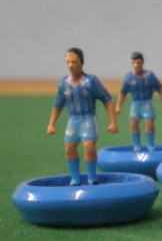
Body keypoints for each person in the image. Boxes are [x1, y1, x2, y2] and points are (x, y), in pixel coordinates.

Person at [46, 47, 118, 186]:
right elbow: (58, 105)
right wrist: (51, 124)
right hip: (73, 120)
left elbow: (108, 100)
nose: (71, 65)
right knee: (69, 148)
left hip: (88, 119)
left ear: (81, 62)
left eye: (74, 62)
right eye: (68, 62)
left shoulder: (91, 81)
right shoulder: (63, 84)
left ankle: (92, 178)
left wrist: (113, 122)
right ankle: (75, 178)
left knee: (89, 146)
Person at [115, 51, 162, 152]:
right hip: (135, 104)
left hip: (147, 103)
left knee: (149, 123)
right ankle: (137, 146)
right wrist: (118, 106)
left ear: (142, 63)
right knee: (133, 124)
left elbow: (161, 90)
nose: (136, 65)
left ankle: (150, 146)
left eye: (138, 63)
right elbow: (122, 92)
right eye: (134, 63)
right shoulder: (128, 77)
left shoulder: (149, 76)